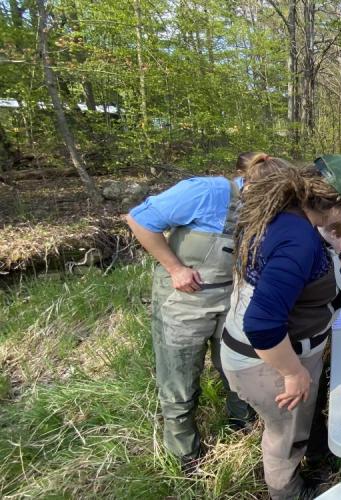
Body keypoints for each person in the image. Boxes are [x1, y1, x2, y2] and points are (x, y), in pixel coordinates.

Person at [124, 152, 288, 471]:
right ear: (253, 186)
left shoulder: (267, 207)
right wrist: (175, 268)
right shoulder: (205, 192)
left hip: (231, 300)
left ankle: (242, 424)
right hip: (184, 302)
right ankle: (185, 451)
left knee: (237, 369)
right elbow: (139, 220)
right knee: (180, 378)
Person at [220, 155, 341, 499]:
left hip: (272, 351)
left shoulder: (285, 212)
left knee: (292, 430)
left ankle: (310, 460)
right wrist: (292, 373)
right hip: (266, 361)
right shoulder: (298, 239)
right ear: (335, 205)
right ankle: (287, 492)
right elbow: (261, 324)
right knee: (283, 438)